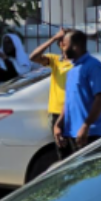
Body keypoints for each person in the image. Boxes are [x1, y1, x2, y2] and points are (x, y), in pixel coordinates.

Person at [54, 31, 101, 160]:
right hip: (73, 133)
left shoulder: (94, 66)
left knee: (93, 175)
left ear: (76, 46)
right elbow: (69, 101)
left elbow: (100, 98)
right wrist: (58, 124)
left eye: (65, 44)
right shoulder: (73, 69)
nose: (62, 48)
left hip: (90, 134)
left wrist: (86, 125)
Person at [29, 28, 74, 158]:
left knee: (77, 153)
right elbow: (33, 57)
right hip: (57, 113)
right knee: (63, 154)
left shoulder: (79, 63)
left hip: (74, 112)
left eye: (65, 40)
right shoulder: (56, 61)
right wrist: (53, 38)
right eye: (60, 41)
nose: (62, 43)